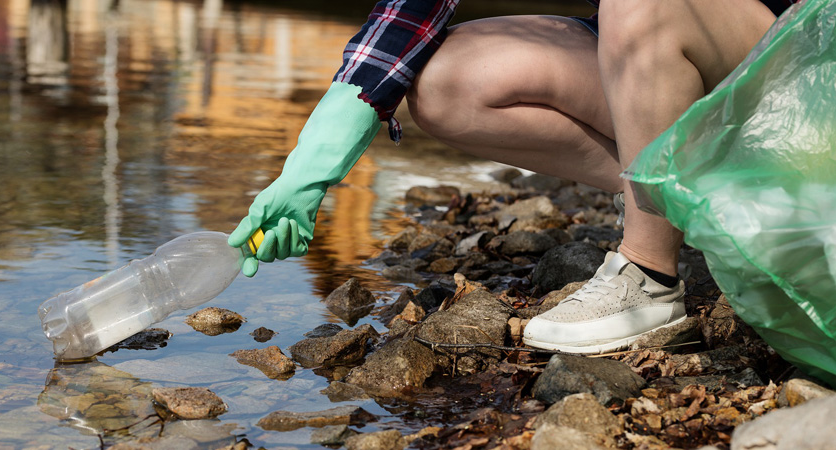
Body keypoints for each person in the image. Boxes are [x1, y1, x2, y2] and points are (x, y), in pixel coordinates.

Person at [228, 0, 798, 354]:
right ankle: (712, 204)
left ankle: (648, 273)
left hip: (799, 75)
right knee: (448, 81)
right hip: (671, 56)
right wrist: (311, 165)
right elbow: (411, 12)